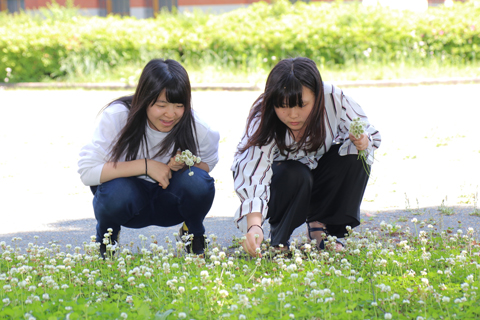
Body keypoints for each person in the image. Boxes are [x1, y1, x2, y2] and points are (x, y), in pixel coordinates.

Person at [232, 57, 381, 256]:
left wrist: (363, 140)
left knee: (355, 155)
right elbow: (253, 171)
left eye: (302, 105)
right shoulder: (262, 116)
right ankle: (279, 238)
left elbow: (366, 129)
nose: (293, 114)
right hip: (283, 186)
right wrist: (254, 225)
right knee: (296, 173)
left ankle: (323, 229)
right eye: (283, 106)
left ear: (317, 95)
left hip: (319, 177)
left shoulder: (332, 97)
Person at [78, 59, 220, 256]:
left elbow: (207, 167)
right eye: (161, 105)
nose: (170, 114)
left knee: (196, 181)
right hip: (130, 201)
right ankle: (106, 242)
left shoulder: (199, 128)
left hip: (169, 203)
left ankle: (193, 234)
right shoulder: (118, 116)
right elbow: (87, 172)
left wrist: (185, 164)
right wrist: (146, 166)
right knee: (115, 192)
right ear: (144, 98)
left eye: (179, 105)